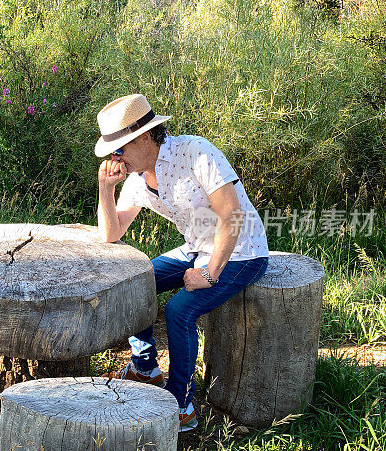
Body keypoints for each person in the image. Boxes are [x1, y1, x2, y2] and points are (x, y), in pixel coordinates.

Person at [95, 94, 269, 432]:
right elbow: (111, 235)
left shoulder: (195, 152)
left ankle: (181, 404)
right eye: (112, 152)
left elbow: (233, 215)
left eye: (120, 149)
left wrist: (209, 273)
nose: (116, 158)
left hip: (240, 251)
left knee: (179, 311)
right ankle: (145, 365)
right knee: (135, 282)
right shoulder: (137, 179)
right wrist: (105, 188)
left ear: (144, 136)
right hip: (196, 246)